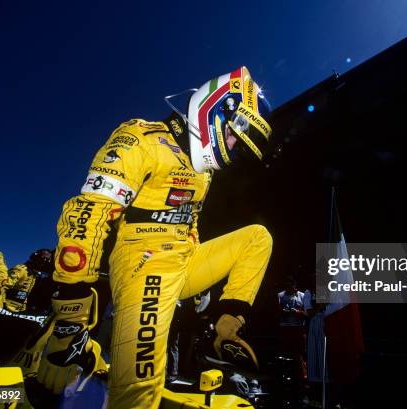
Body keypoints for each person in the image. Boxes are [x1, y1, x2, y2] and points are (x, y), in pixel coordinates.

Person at [36, 66, 273, 408]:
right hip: (143, 268)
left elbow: (187, 224)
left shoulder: (202, 174)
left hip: (182, 263)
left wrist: (198, 291)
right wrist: (70, 317)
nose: (234, 148)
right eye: (237, 135)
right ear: (218, 108)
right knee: (139, 392)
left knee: (257, 237)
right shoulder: (139, 138)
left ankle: (223, 331)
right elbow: (88, 213)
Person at [5, 248, 54, 313]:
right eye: (42, 258)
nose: (44, 262)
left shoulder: (34, 276)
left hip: (20, 311)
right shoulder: (20, 269)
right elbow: (3, 287)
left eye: (47, 260)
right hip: (6, 309)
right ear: (35, 257)